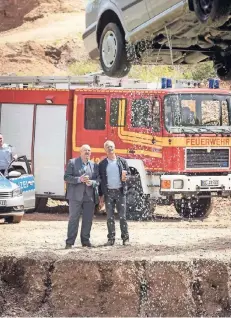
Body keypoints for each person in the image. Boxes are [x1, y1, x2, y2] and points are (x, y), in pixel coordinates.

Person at [64, 144, 100, 249]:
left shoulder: (94, 165)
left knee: (88, 220)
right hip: (75, 196)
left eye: (89, 150)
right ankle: (69, 242)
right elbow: (66, 177)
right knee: (73, 219)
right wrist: (79, 179)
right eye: (85, 150)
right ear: (80, 152)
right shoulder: (72, 162)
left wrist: (92, 182)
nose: (87, 152)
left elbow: (98, 180)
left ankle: (85, 241)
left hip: (89, 197)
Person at [99, 140, 130, 246]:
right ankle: (111, 239)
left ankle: (125, 239)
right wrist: (101, 196)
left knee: (122, 216)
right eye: (107, 147)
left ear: (115, 147)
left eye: (111, 146)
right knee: (110, 217)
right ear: (105, 150)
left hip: (120, 192)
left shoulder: (122, 161)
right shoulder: (102, 164)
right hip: (109, 194)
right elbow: (101, 180)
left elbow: (129, 174)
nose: (110, 148)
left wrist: (126, 177)